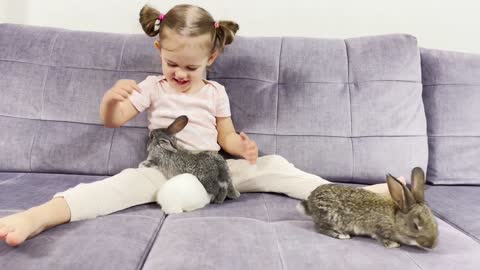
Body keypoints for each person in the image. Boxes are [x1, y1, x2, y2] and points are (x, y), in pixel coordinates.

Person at [0, 4, 401, 247]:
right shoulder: (151, 87)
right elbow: (114, 121)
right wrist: (110, 102)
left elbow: (224, 135)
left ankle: (357, 197)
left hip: (215, 169)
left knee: (277, 168)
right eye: (171, 63)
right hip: (164, 168)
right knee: (110, 190)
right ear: (159, 50)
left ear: (211, 57)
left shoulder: (215, 93)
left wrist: (241, 147)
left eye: (190, 67)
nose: (178, 73)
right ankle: (38, 217)